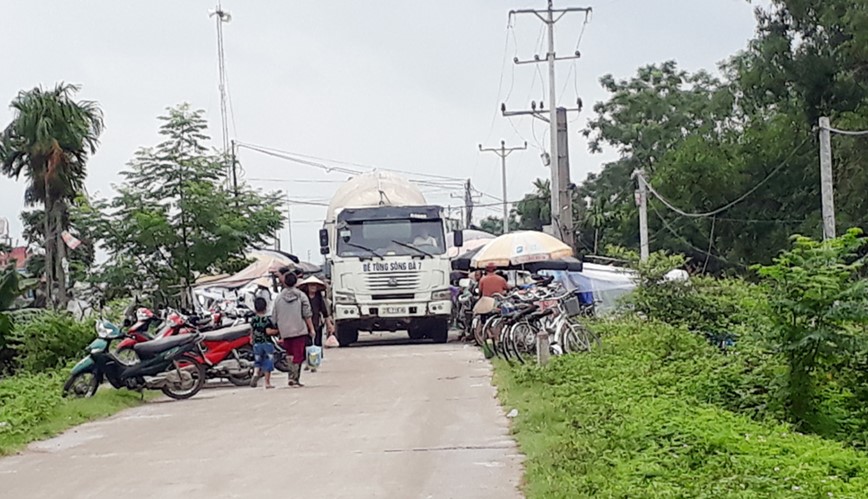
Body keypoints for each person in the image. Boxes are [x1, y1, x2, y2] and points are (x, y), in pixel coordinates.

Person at [272, 272, 315, 387]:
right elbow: (307, 314)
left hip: (285, 331)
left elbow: (274, 316)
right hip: (299, 330)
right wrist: (311, 329)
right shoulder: (301, 296)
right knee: (299, 355)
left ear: (284, 282)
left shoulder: (278, 298)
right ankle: (294, 378)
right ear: (296, 282)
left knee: (289, 354)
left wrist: (278, 329)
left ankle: (291, 377)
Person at [297, 276, 334, 371]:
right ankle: (307, 362)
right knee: (306, 344)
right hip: (304, 324)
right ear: (307, 286)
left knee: (317, 344)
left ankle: (314, 364)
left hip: (317, 323)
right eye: (311, 285)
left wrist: (329, 324)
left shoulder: (319, 297)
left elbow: (325, 312)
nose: (313, 287)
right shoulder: (303, 297)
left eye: (315, 286)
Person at [249, 297, 278, 389]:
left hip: (257, 344)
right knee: (267, 363)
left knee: (258, 361)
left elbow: (251, 331)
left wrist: (251, 339)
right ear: (265, 308)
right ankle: (267, 382)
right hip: (267, 344)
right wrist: (277, 331)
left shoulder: (253, 319)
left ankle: (255, 373)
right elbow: (268, 332)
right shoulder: (267, 320)